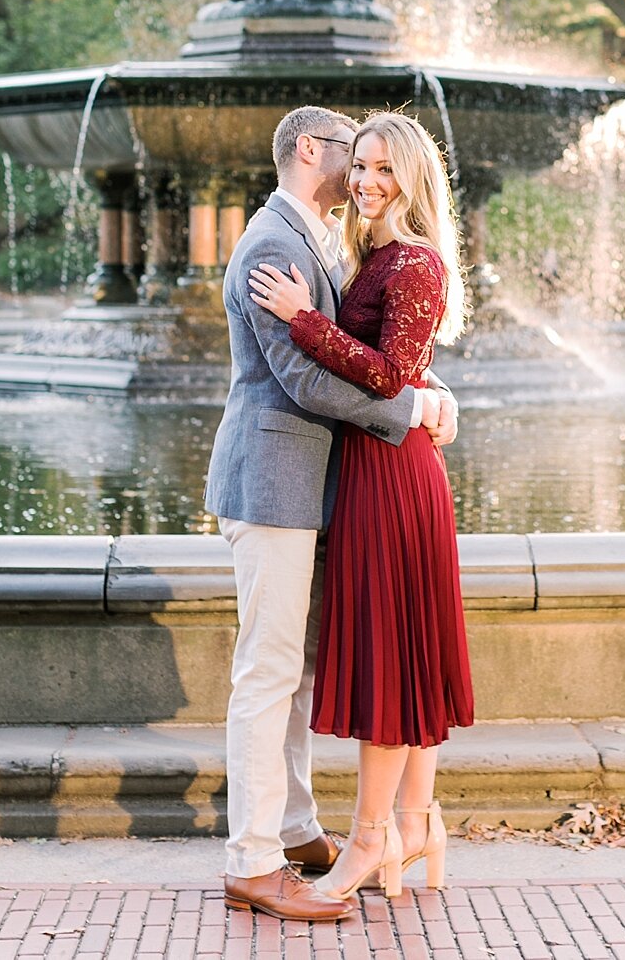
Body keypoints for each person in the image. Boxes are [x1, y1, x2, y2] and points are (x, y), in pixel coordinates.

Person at [204, 105, 458, 923]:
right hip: (275, 481)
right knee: (268, 673)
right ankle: (250, 861)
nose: (361, 179)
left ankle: (297, 827)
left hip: (315, 485)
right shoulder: (277, 244)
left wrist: (423, 389)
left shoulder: (322, 236)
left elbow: (392, 351)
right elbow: (308, 384)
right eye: (355, 160)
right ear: (311, 149)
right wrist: (415, 408)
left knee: (294, 672)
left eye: (380, 168)